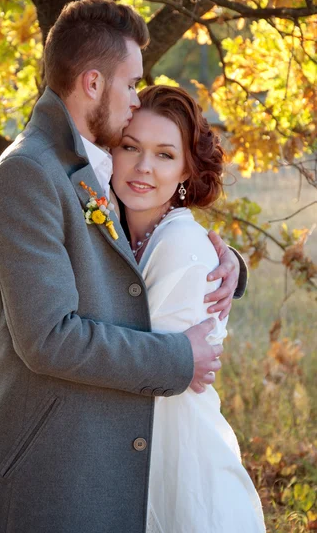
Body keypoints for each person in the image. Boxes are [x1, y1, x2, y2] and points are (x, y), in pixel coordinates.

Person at [0, 0, 247, 533]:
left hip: (97, 462)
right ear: (93, 83)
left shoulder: (89, 159)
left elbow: (141, 243)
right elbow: (48, 337)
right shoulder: (30, 171)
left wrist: (228, 259)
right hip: (49, 469)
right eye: (131, 82)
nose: (136, 96)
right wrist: (177, 357)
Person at [111, 84, 265, 532]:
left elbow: (131, 364)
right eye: (130, 147)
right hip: (135, 451)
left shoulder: (183, 246)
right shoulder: (117, 229)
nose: (142, 168)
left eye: (164, 154)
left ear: (185, 170)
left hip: (177, 462)